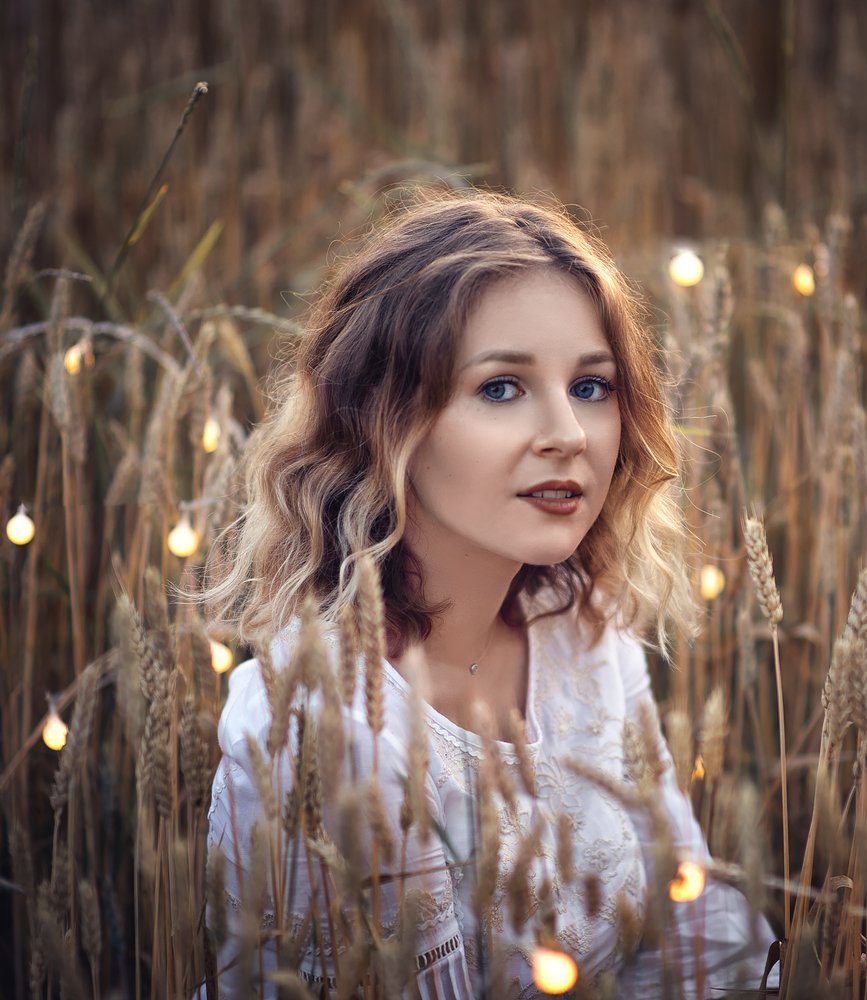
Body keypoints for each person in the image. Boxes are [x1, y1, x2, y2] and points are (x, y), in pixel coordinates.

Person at [200, 190, 774, 998]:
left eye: (592, 387)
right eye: (501, 388)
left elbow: (689, 925)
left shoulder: (582, 629)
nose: (569, 435)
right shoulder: (321, 731)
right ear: (386, 421)